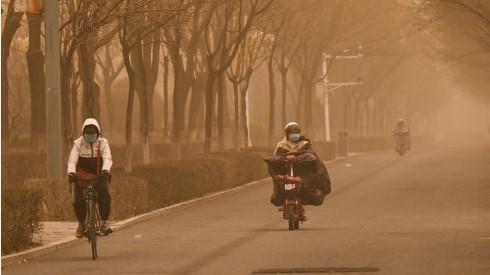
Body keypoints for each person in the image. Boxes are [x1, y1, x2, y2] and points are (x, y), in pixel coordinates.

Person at [68, 118, 113, 238]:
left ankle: (104, 222)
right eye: (87, 134)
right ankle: (81, 224)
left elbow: (107, 158)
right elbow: (72, 160)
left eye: (93, 134)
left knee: (104, 193)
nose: (90, 136)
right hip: (81, 178)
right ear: (83, 133)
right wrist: (71, 173)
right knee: (78, 200)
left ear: (98, 133)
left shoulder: (103, 143)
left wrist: (105, 170)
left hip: (99, 176)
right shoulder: (78, 143)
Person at [269, 122, 331, 207]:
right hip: (286, 170)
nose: (294, 135)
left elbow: (311, 156)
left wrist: (298, 159)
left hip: (302, 171)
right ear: (287, 134)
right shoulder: (280, 145)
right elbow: (276, 158)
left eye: (296, 133)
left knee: (313, 193)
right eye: (292, 134)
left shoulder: (304, 143)